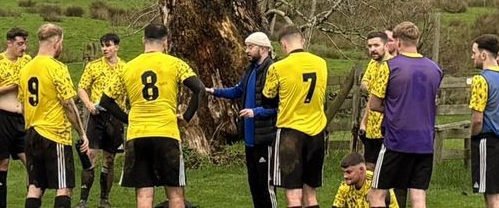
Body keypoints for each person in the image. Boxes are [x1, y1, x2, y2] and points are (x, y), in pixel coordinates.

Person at [97, 23, 206, 208]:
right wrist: (186, 116)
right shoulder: (175, 64)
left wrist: (128, 118)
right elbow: (199, 89)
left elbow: (105, 101)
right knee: (175, 196)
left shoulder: (128, 67)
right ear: (165, 42)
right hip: (166, 132)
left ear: (143, 41)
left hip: (138, 134)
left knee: (144, 197)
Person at [366, 22, 442, 208]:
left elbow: (374, 104)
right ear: (417, 40)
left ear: (398, 42)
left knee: (375, 194)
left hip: (397, 140)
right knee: (418, 195)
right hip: (424, 141)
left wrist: (395, 106)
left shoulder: (389, 67)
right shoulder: (435, 69)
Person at [20, 23, 91, 208]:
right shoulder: (56, 67)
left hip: (32, 132)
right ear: (57, 42)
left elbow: (23, 104)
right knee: (64, 186)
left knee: (35, 187)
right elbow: (68, 103)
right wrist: (82, 133)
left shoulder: (26, 69)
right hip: (54, 133)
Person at [208, 32, 278, 208]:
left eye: (250, 47)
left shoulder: (272, 71)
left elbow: (278, 106)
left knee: (266, 188)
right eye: (246, 46)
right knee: (254, 187)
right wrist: (214, 91)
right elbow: (237, 91)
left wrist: (256, 112)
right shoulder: (250, 69)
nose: (246, 50)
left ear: (263, 49)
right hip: (250, 140)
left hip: (264, 139)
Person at [262, 26, 329, 208]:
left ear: (283, 45)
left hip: (290, 131)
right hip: (316, 131)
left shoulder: (278, 67)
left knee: (293, 195)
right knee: (311, 194)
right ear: (303, 41)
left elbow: (267, 99)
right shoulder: (321, 63)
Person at [0, 27, 34, 208]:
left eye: (25, 43)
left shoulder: (27, 61)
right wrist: (10, 87)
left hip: (22, 119)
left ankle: (31, 202)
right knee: (2, 164)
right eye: (20, 43)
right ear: (9, 43)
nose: (24, 47)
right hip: (1, 118)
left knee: (32, 164)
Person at [469, 35, 499, 208]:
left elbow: (477, 120)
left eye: (474, 52)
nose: (472, 56)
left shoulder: (481, 80)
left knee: (493, 198)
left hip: (490, 142)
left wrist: (473, 136)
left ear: (483, 55)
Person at [77, 33, 126, 208]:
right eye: (103, 46)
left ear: (117, 47)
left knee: (110, 159)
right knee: (90, 155)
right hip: (97, 115)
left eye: (108, 45)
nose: (105, 49)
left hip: (116, 117)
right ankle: (83, 200)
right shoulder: (93, 66)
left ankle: (104, 199)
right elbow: (82, 87)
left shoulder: (126, 68)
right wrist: (89, 104)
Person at [357, 31, 392, 171]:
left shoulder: (392, 65)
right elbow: (364, 83)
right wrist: (363, 123)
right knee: (370, 166)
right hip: (371, 125)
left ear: (386, 45)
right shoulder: (373, 63)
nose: (373, 49)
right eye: (370, 46)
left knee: (386, 168)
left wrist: (374, 90)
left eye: (376, 45)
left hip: (387, 126)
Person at [331, 152, 397, 208]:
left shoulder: (377, 185)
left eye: (349, 172)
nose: (345, 176)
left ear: (361, 170)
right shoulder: (345, 185)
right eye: (344, 172)